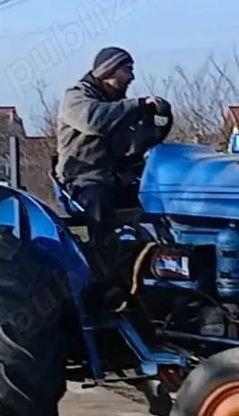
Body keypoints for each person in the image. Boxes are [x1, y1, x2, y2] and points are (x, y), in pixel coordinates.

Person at [55, 46, 170, 276]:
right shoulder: (76, 98)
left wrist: (157, 124)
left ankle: (162, 260)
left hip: (116, 176)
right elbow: (94, 120)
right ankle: (103, 271)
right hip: (81, 177)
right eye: (127, 70)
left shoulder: (118, 105)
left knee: (160, 201)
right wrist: (137, 106)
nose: (132, 77)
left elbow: (135, 145)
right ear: (108, 71)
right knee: (100, 205)